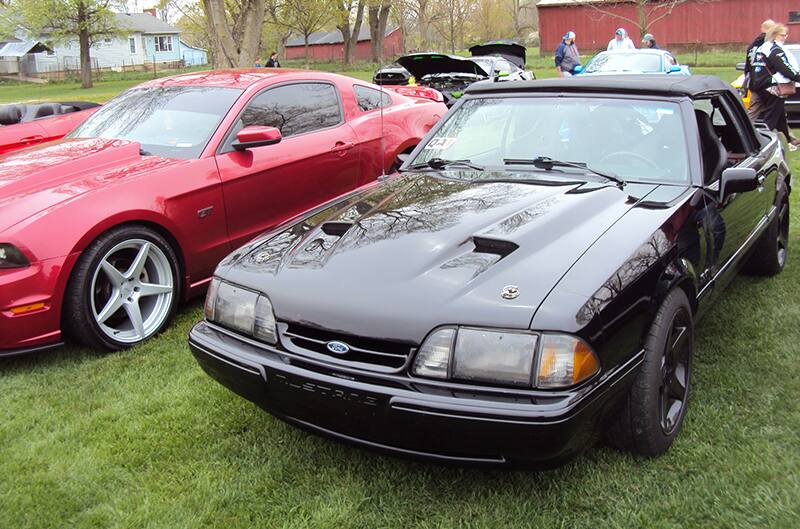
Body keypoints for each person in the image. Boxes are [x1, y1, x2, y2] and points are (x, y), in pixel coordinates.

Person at [751, 23, 800, 149]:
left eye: (786, 35)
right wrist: (797, 77)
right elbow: (785, 68)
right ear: (774, 35)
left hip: (761, 86)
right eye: (782, 35)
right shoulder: (775, 50)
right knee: (771, 119)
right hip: (774, 88)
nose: (785, 37)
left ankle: (789, 141)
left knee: (780, 117)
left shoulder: (762, 49)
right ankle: (760, 144)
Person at [744, 19, 776, 121]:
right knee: (775, 109)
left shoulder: (752, 46)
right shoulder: (769, 46)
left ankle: (789, 136)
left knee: (753, 111)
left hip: (755, 82)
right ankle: (746, 132)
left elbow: (747, 67)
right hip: (767, 82)